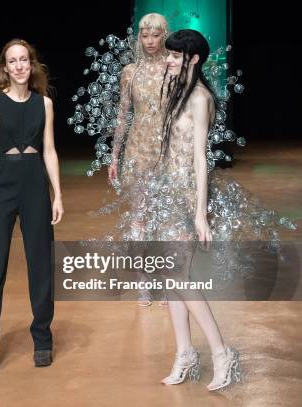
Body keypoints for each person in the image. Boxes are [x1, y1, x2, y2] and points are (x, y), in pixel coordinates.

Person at [151, 29, 245, 391]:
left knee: (179, 278)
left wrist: (200, 212)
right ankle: (185, 353)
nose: (169, 59)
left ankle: (222, 352)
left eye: (175, 55)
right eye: (169, 54)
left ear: (192, 59)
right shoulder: (177, 92)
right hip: (167, 194)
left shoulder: (200, 98)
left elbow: (200, 159)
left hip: (188, 196)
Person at [0, 38, 63, 376]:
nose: (19, 66)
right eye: (12, 61)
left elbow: (50, 151)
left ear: (32, 63)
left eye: (24, 60)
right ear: (5, 68)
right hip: (1, 183)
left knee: (41, 264)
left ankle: (42, 340)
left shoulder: (44, 104)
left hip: (34, 184)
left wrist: (58, 193)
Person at [108, 13, 170, 306]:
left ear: (164, 35)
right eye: (145, 35)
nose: (150, 41)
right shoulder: (130, 72)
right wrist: (114, 155)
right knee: (141, 217)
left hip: (168, 149)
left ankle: (169, 281)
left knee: (169, 216)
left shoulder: (174, 69)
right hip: (137, 149)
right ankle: (144, 282)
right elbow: (123, 115)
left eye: (155, 35)